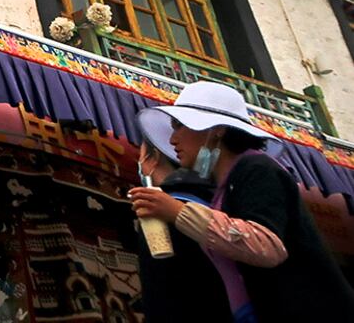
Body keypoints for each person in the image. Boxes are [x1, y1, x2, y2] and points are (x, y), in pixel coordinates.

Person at [129, 82, 354, 323]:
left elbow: (267, 245)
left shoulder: (257, 168)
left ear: (216, 130)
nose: (173, 139)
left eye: (180, 126)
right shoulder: (222, 189)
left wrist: (178, 212)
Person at [132, 132, 233, 322]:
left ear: (153, 160)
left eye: (141, 155)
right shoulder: (220, 208)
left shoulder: (158, 214)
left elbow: (160, 288)